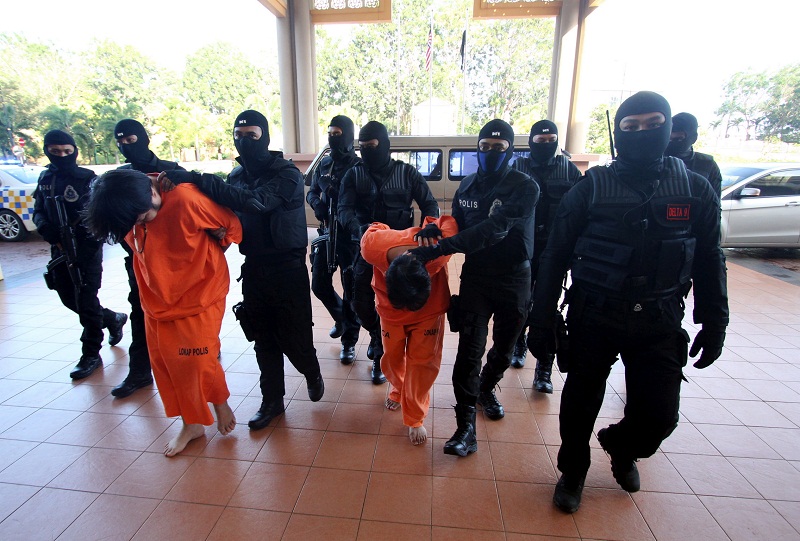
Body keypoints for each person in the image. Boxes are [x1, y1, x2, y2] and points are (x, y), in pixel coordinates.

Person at [528, 91, 729, 513]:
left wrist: (715, 320)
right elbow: (555, 255)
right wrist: (542, 317)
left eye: (653, 124)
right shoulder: (591, 187)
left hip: (659, 318)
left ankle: (622, 445)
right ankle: (573, 472)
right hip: (594, 314)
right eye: (630, 126)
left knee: (660, 416)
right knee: (579, 405)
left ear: (669, 129)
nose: (642, 133)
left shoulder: (694, 189)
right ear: (618, 132)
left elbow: (710, 258)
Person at [164, 110, 324, 431]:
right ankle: (272, 401)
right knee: (262, 338)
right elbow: (224, 212)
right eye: (239, 136)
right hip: (254, 269)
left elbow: (256, 202)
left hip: (288, 270)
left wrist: (197, 177)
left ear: (265, 136)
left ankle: (311, 370)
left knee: (295, 339)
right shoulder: (236, 176)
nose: (245, 141)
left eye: (252, 135)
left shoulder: (288, 174)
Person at [83, 169, 242, 456]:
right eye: (136, 221)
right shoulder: (127, 208)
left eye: (143, 216)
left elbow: (232, 227)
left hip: (200, 294)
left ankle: (220, 402)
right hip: (156, 298)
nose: (141, 222)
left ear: (152, 192)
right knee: (168, 364)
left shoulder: (186, 199)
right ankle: (191, 423)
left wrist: (220, 235)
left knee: (198, 359)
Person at [410, 119, 539, 456]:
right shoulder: (467, 186)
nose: (490, 152)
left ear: (510, 151)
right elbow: (456, 223)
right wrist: (437, 228)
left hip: (514, 279)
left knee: (505, 350)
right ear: (477, 148)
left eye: (498, 148)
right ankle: (465, 426)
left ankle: (486, 387)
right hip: (477, 278)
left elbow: (492, 229)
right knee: (469, 352)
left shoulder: (525, 187)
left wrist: (438, 249)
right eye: (484, 147)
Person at [338, 121, 439, 384]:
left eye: (372, 146)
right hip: (368, 248)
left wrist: (429, 228)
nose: (367, 151)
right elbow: (343, 209)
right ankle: (376, 335)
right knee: (359, 301)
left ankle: (384, 353)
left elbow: (430, 204)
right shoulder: (354, 175)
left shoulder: (407, 173)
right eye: (362, 147)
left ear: (385, 145)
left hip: (399, 253)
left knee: (396, 303)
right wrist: (357, 229)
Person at [32, 130, 127, 381]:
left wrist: (87, 246)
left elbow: (99, 216)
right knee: (67, 297)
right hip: (59, 248)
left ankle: (90, 353)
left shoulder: (87, 179)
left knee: (86, 300)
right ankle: (112, 318)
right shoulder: (45, 178)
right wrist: (45, 228)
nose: (62, 156)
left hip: (86, 248)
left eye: (67, 151)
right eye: (55, 152)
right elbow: (38, 209)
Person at [360, 215, 458, 445]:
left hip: (429, 313)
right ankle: (400, 388)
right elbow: (374, 227)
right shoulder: (372, 248)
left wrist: (431, 225)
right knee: (392, 358)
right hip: (390, 313)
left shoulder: (440, 250)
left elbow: (449, 222)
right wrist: (385, 229)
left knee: (423, 363)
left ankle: (415, 417)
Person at [111, 119, 186, 399]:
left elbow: (191, 209)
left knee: (188, 311)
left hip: (176, 259)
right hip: (140, 259)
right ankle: (140, 371)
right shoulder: (119, 177)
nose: (126, 147)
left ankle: (204, 352)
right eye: (121, 143)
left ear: (144, 139)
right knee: (141, 313)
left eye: (131, 141)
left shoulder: (172, 171)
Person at [510, 120, 582, 395]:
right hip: (522, 248)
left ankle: (544, 367)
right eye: (540, 140)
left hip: (556, 250)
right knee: (520, 303)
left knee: (548, 307)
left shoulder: (569, 170)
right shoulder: (518, 167)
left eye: (551, 140)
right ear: (531, 142)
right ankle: (519, 344)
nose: (546, 145)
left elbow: (580, 213)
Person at [307, 115, 361, 364]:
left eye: (337, 133)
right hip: (327, 232)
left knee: (351, 289)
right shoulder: (325, 164)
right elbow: (311, 192)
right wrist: (316, 203)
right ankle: (340, 317)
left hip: (349, 236)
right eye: (329, 133)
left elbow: (361, 200)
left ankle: (349, 340)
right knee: (319, 284)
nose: (332, 138)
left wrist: (335, 193)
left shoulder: (359, 167)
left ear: (348, 136)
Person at [664, 112, 722, 198]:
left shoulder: (707, 164)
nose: (672, 143)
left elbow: (715, 201)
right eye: (669, 139)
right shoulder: (656, 160)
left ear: (693, 138)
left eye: (679, 139)